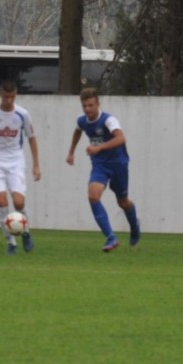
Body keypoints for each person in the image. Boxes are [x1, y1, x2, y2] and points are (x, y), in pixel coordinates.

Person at [66, 87, 141, 252]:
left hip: (118, 164)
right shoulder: (82, 120)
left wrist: (99, 147)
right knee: (93, 196)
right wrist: (71, 151)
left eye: (90, 105)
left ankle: (135, 226)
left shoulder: (109, 120)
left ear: (98, 104)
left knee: (123, 202)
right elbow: (77, 131)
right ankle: (110, 237)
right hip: (100, 165)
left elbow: (121, 138)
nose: (87, 109)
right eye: (84, 106)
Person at [0, 80, 40, 255]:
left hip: (16, 161)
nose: (9, 100)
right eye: (5, 97)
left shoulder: (22, 114)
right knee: (1, 202)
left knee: (19, 202)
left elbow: (32, 138)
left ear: (16, 95)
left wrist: (36, 166)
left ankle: (26, 233)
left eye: (12, 97)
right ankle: (11, 242)